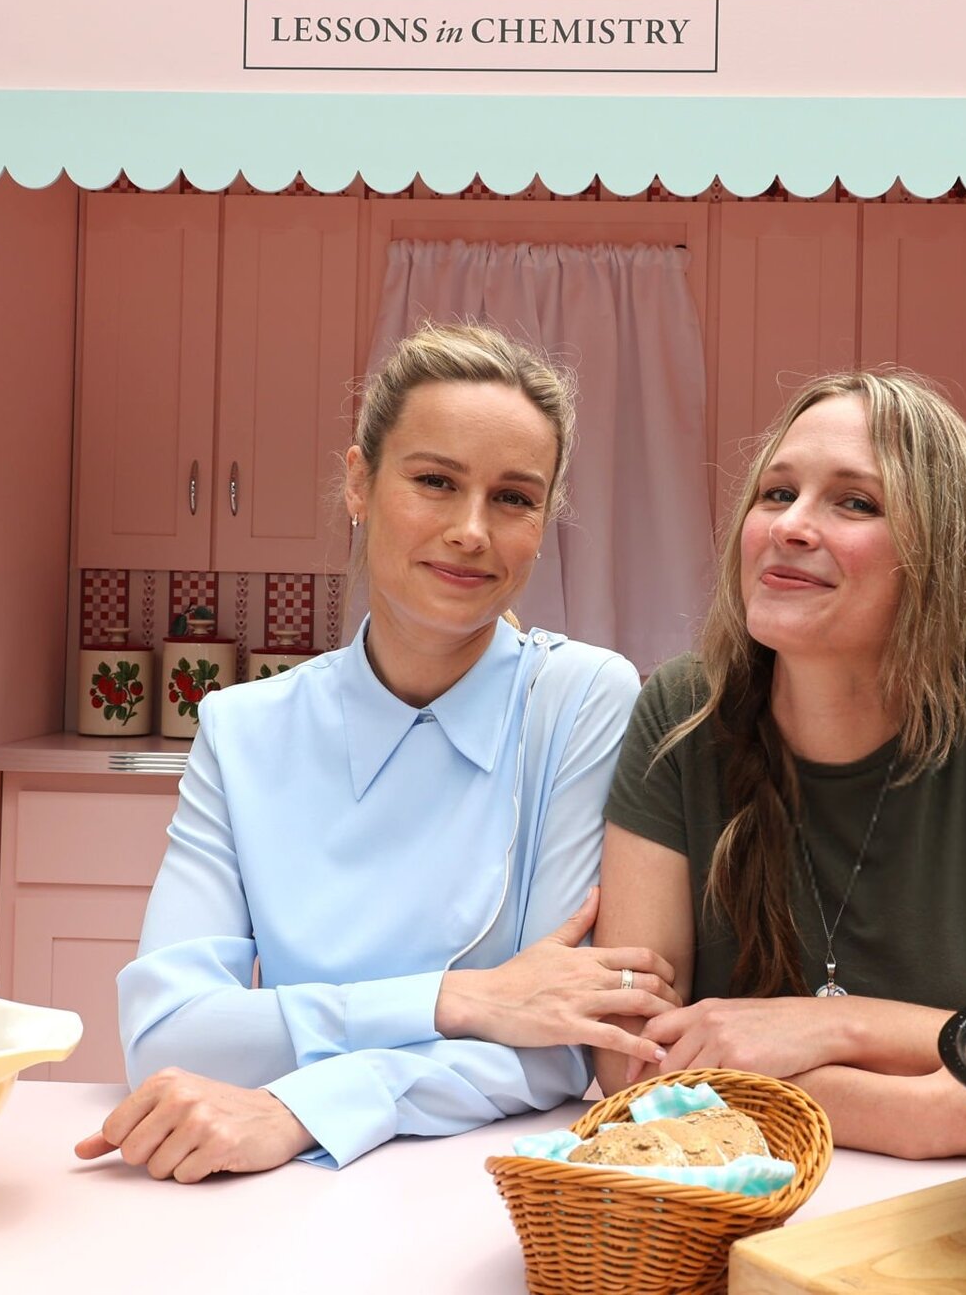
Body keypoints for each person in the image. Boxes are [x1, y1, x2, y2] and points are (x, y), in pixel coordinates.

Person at [75, 324, 673, 1183]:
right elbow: (170, 1036)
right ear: (359, 482)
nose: (471, 530)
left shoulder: (580, 700)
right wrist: (459, 999)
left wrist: (301, 1108)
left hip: (482, 1180)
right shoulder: (242, 730)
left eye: (513, 497)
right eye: (435, 482)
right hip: (267, 1188)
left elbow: (557, 1043)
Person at [593, 370, 966, 1160]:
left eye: (854, 502)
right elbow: (629, 1058)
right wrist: (946, 1101)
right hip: (739, 1205)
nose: (791, 526)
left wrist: (834, 1027)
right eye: (777, 493)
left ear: (941, 554)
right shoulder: (683, 711)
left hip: (957, 1213)